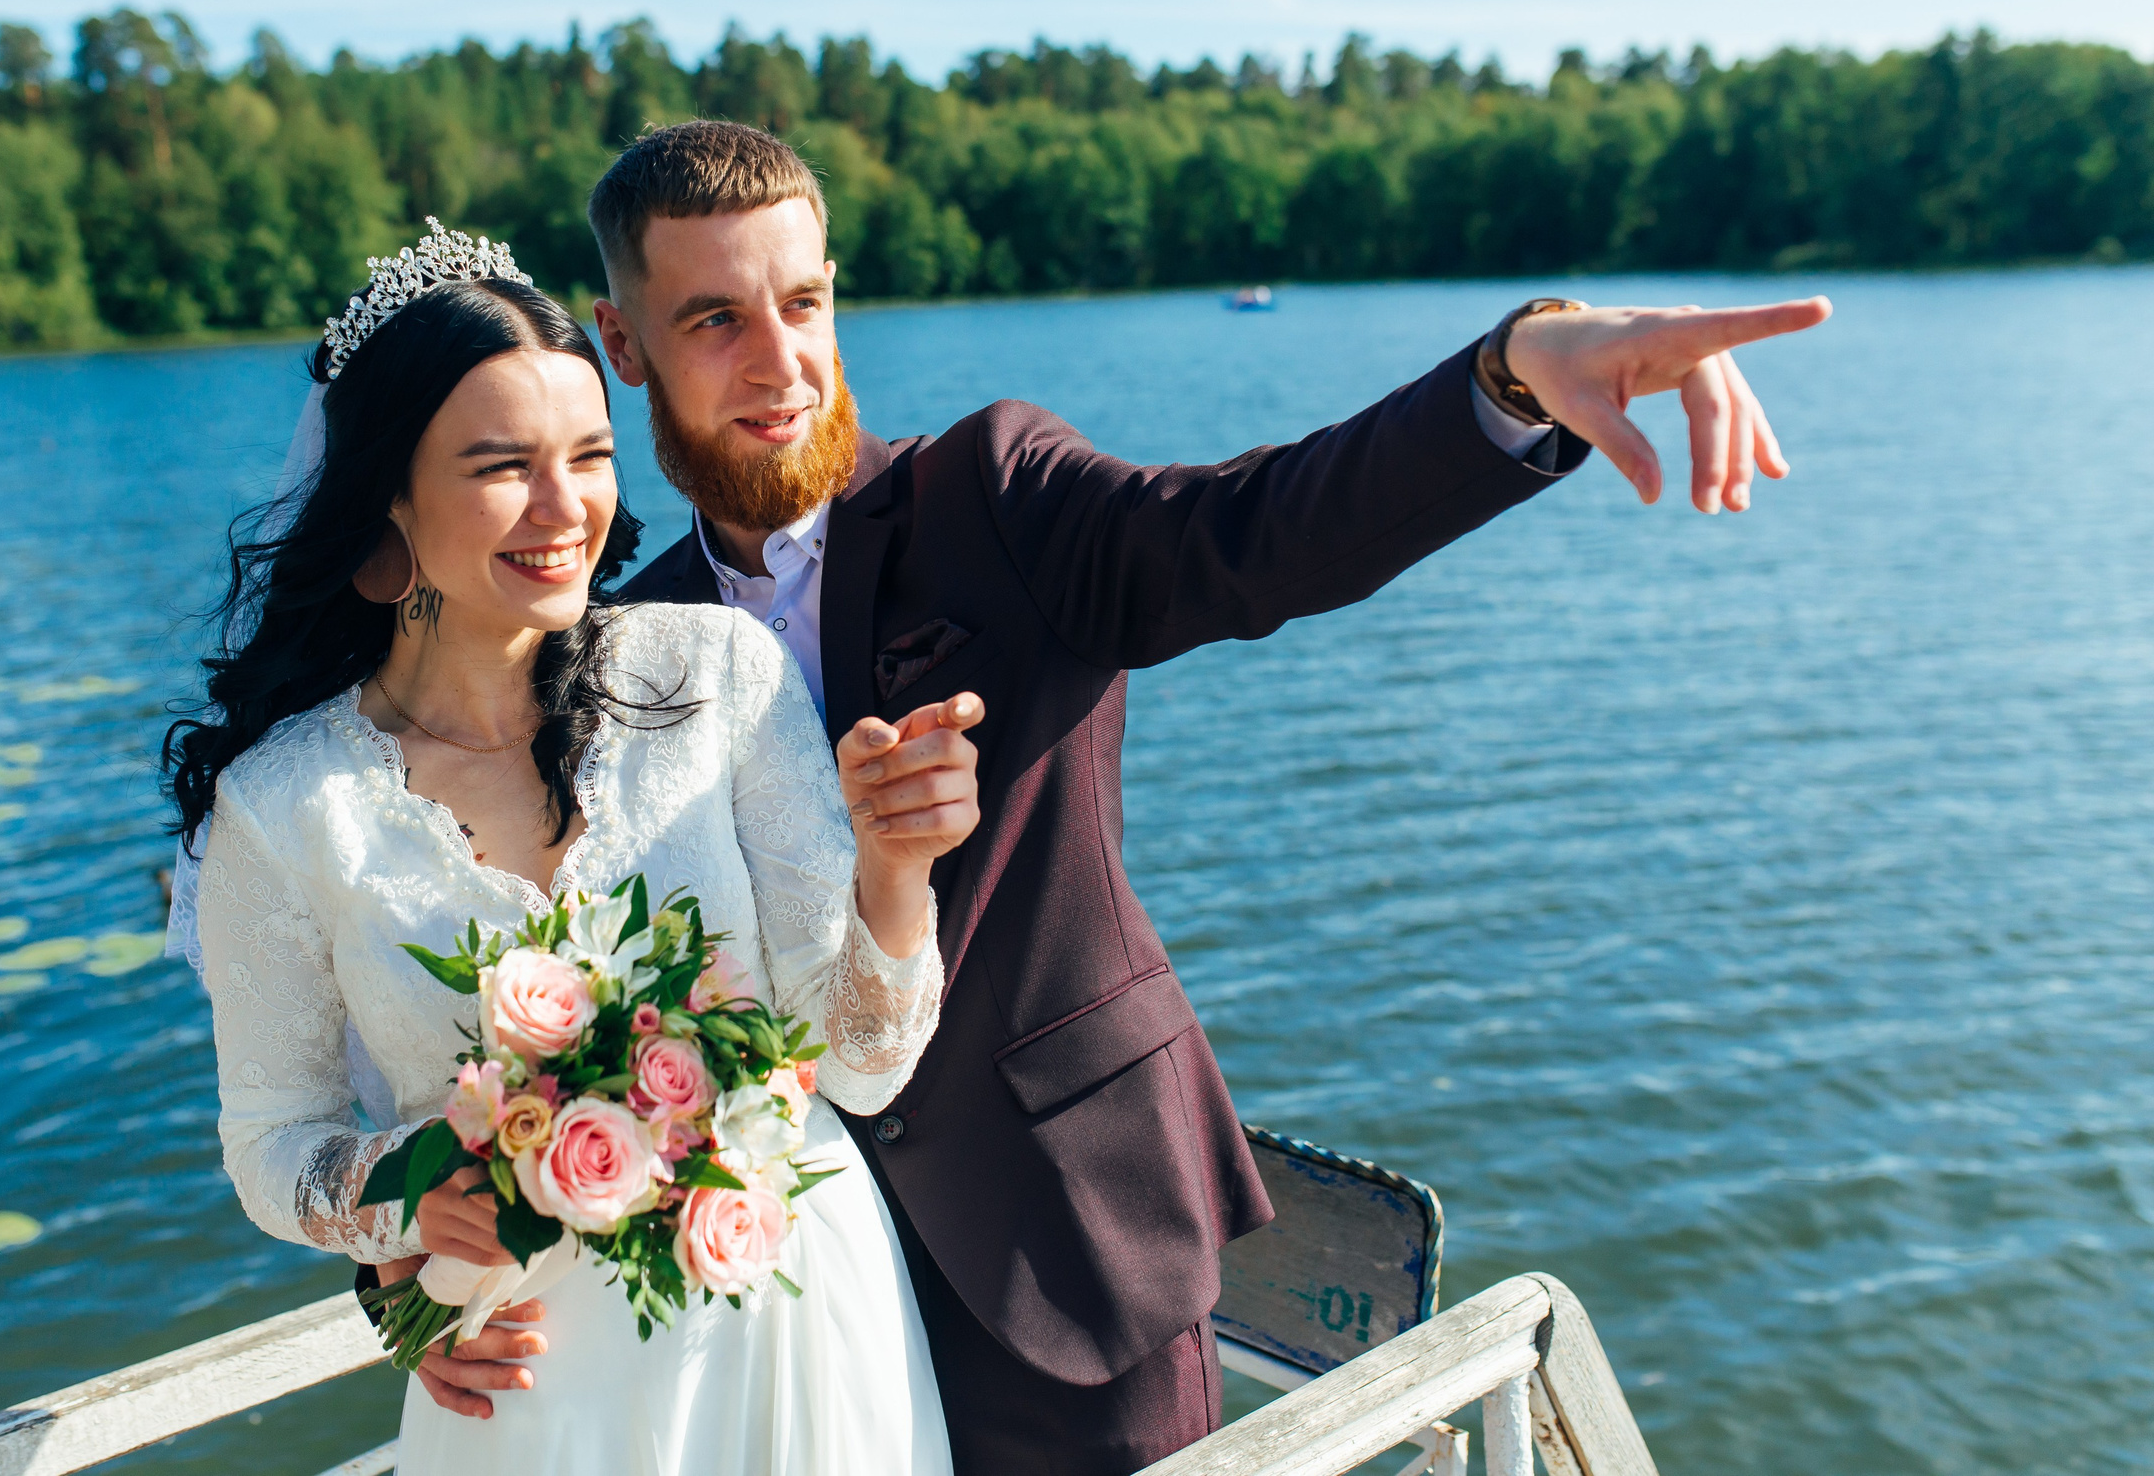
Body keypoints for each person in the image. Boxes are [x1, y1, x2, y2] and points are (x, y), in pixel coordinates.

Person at [587, 120, 1831, 1474]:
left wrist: (1515, 370)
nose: (781, 362)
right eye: (715, 318)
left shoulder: (993, 493)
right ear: (623, 343)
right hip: (791, 1299)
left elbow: (1258, 530)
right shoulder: (618, 648)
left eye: (806, 302)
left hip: (1069, 1257)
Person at [164, 233, 984, 1475]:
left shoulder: (715, 673)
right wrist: (405, 1202)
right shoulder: (286, 810)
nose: (565, 512)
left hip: (795, 1320)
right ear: (386, 505)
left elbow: (860, 1069)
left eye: (590, 457)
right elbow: (273, 1144)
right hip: (530, 1376)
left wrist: (896, 864)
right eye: (501, 468)